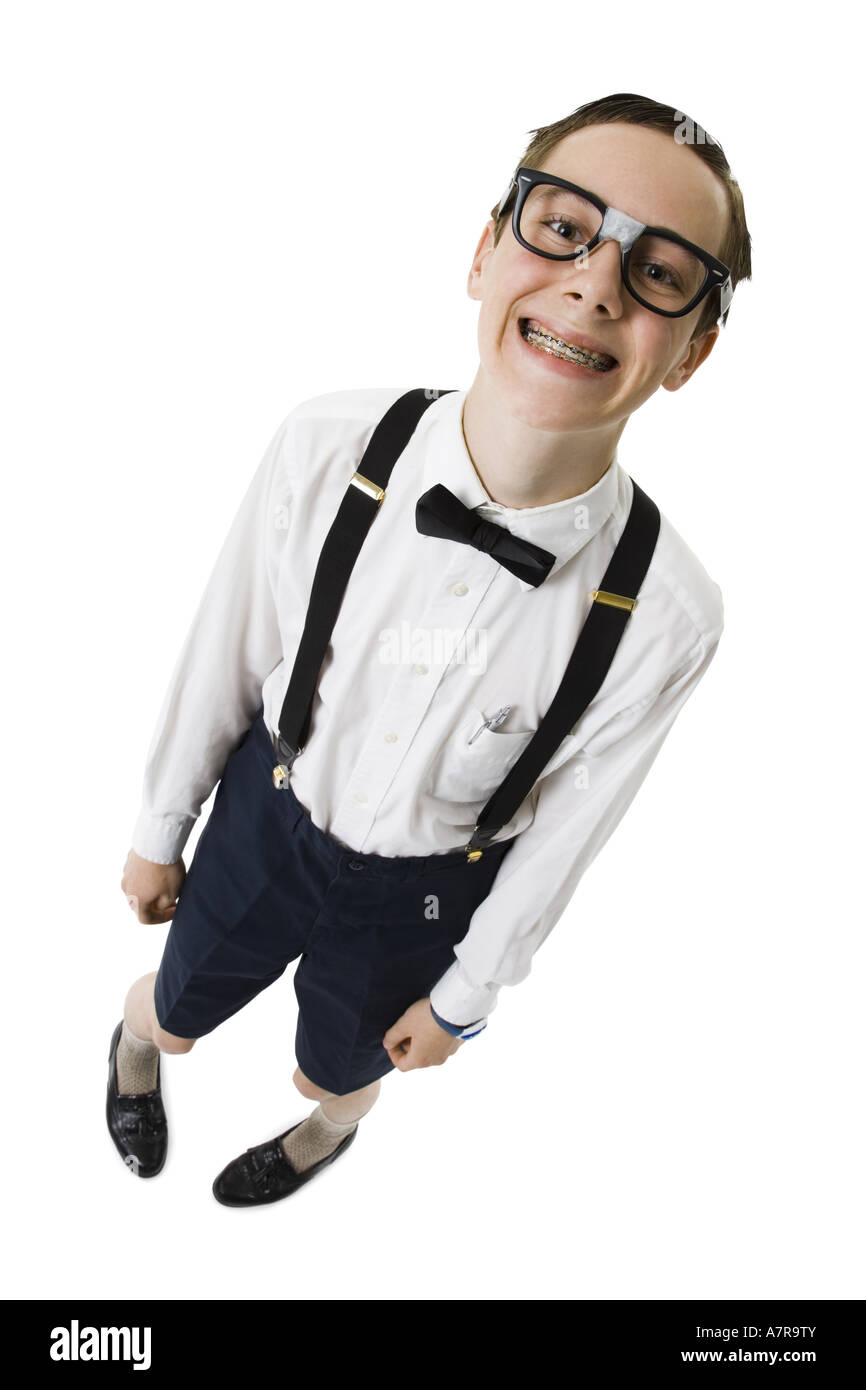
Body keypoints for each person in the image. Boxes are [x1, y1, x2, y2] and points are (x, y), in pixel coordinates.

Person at [107, 91, 752, 1206]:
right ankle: (132, 1053)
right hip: (271, 810)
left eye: (658, 271)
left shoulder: (670, 615)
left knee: (340, 1069)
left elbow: (566, 831)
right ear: (482, 252)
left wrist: (465, 995)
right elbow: (226, 646)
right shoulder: (327, 444)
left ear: (689, 351)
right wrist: (161, 827)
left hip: (426, 892)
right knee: (174, 1009)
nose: (594, 281)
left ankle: (325, 1133)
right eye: (562, 225)